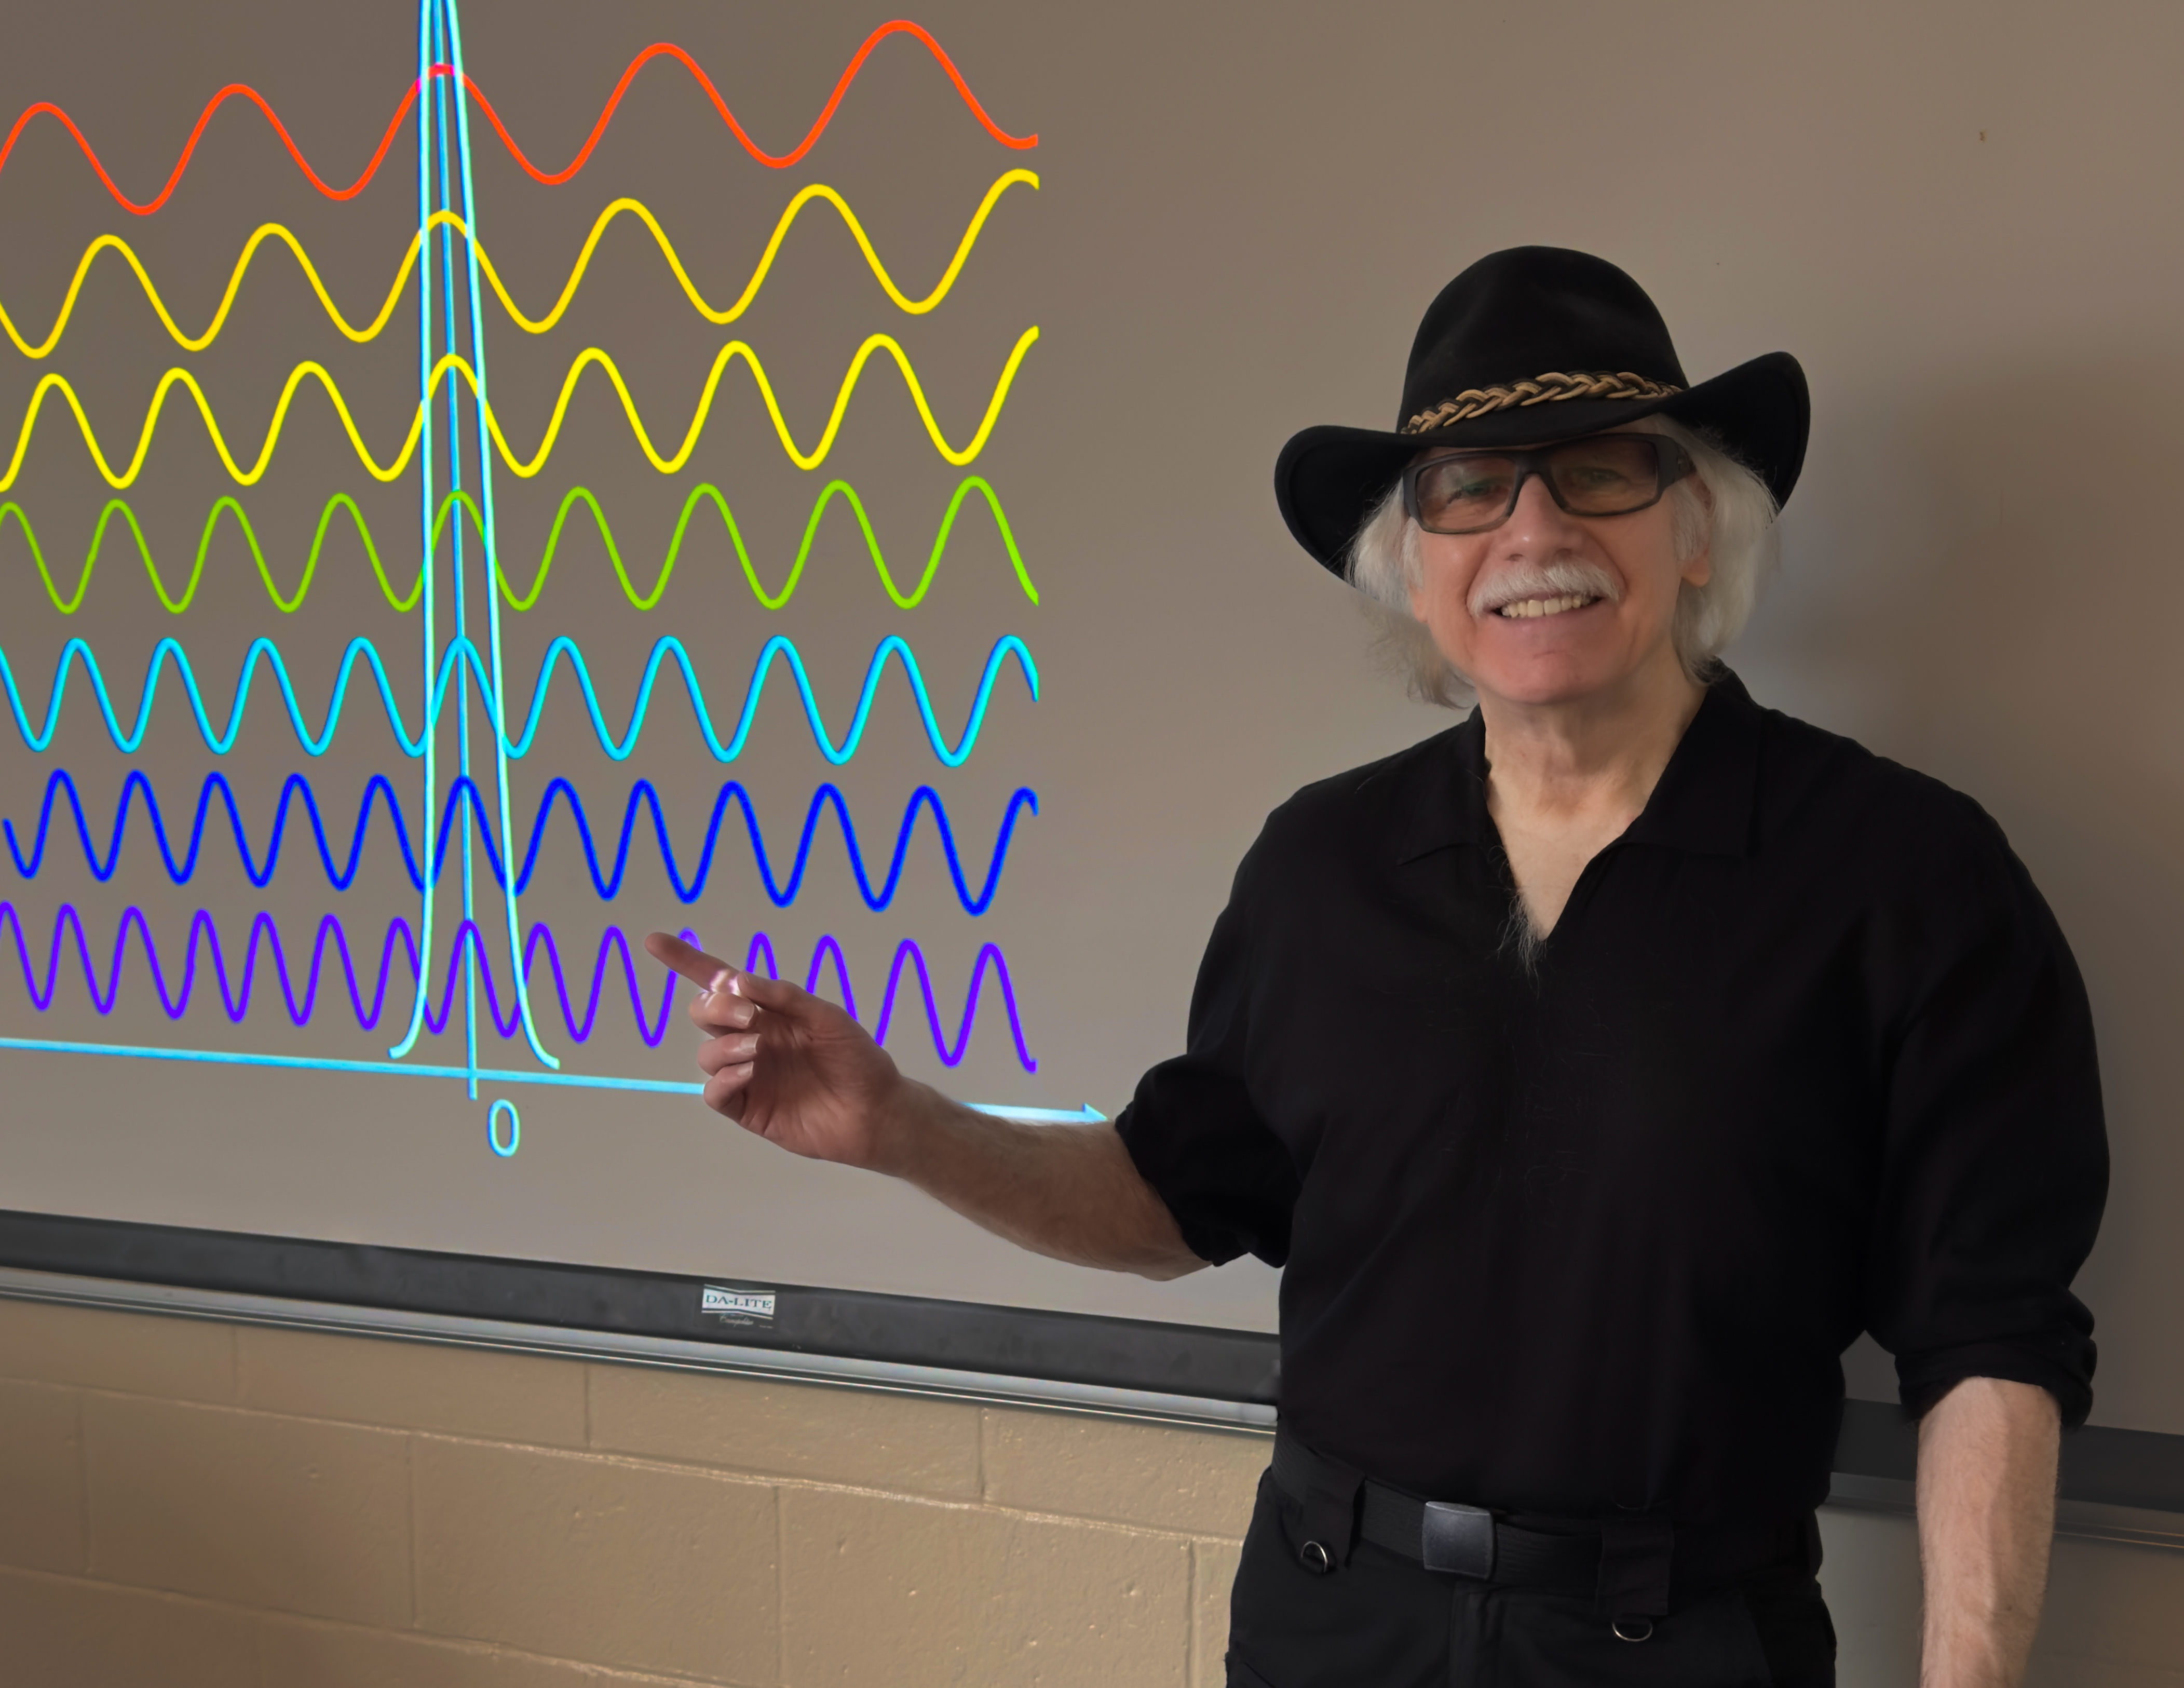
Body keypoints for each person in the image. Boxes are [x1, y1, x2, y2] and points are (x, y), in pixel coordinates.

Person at [647, 247, 2107, 1688]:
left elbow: (1990, 1343)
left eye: (1598, 467)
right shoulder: (1320, 868)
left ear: (1700, 528)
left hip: (1682, 1643)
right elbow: (1173, 1201)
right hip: (1328, 1622)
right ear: (1415, 571)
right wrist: (903, 1125)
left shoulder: (1903, 877)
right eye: (1469, 489)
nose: (1532, 530)